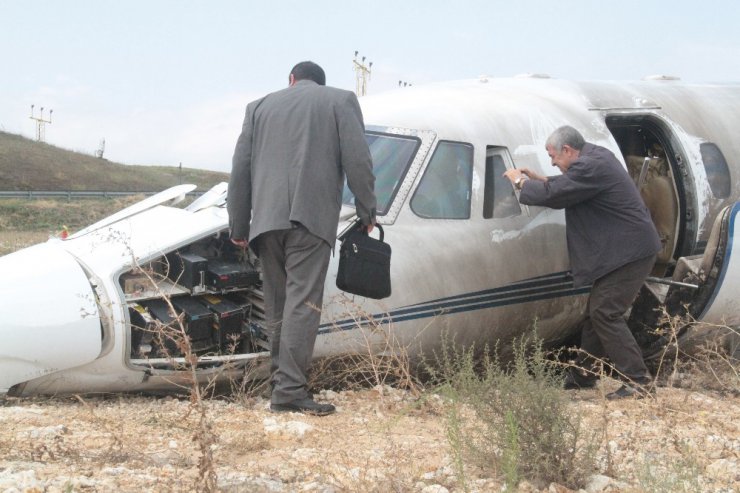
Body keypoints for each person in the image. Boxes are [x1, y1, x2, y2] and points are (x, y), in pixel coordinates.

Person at [228, 61, 377, 415]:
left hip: (265, 223)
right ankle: (290, 391)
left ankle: (280, 383)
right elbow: (358, 160)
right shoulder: (339, 101)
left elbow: (241, 168)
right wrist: (367, 211)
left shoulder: (259, 107)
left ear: (291, 80)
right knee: (302, 305)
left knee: (278, 304)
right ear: (320, 83)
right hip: (310, 220)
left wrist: (238, 224)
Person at [503, 125, 661, 400]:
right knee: (597, 313)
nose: (552, 161)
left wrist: (520, 183)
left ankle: (639, 382)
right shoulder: (596, 157)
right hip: (625, 251)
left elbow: (556, 195)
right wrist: (541, 178)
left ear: (568, 150)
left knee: (604, 313)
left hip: (630, 253)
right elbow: (570, 185)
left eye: (553, 156)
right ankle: (582, 377)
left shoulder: (590, 166)